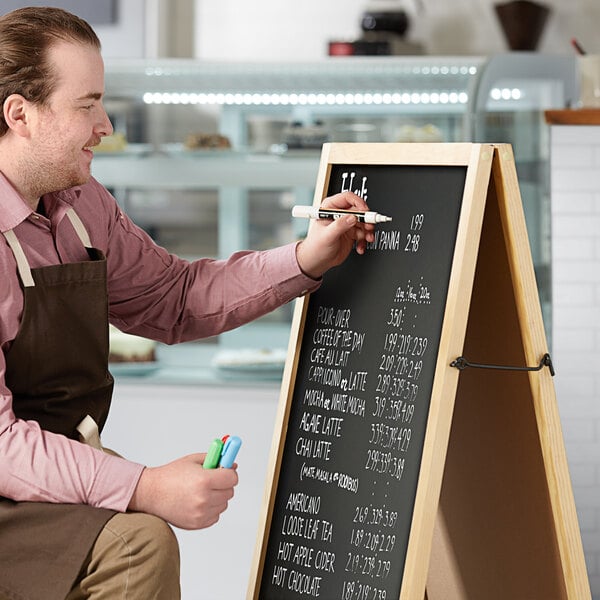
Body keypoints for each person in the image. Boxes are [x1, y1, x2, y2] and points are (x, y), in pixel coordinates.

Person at [0, 6, 377, 600]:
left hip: (47, 463)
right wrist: (145, 485)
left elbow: (174, 296)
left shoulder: (82, 205)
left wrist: (308, 257)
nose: (105, 124)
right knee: (139, 545)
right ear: (20, 114)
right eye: (87, 104)